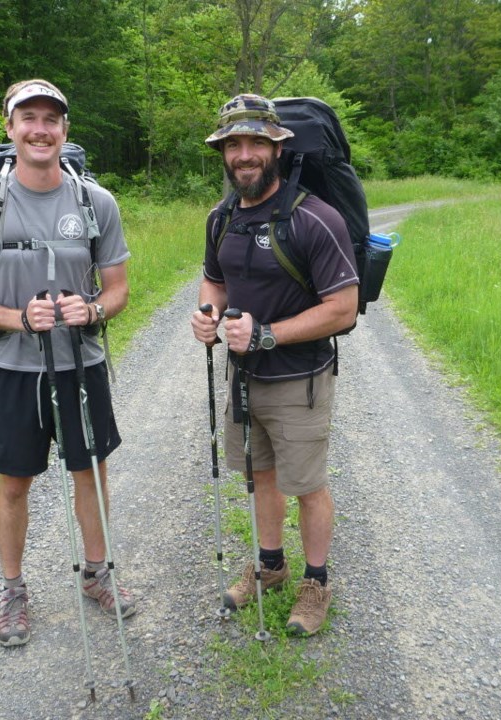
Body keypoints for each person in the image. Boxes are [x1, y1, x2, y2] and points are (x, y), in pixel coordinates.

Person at [0, 79, 135, 647]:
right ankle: (13, 592)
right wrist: (18, 318)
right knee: (14, 483)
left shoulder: (95, 202)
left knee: (92, 473)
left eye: (51, 119)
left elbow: (119, 289)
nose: (40, 129)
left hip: (83, 364)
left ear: (64, 131)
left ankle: (97, 575)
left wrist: (92, 308)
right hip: (10, 367)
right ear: (9, 128)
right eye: (28, 117)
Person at [191, 94, 359, 636]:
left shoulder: (315, 218)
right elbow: (215, 280)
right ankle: (270, 566)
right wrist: (208, 314)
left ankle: (316, 583)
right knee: (260, 475)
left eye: (256, 143)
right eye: (234, 144)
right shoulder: (221, 219)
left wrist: (267, 335)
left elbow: (343, 307)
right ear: (222, 153)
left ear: (277, 148)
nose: (245, 154)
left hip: (300, 380)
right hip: (243, 377)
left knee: (306, 483)